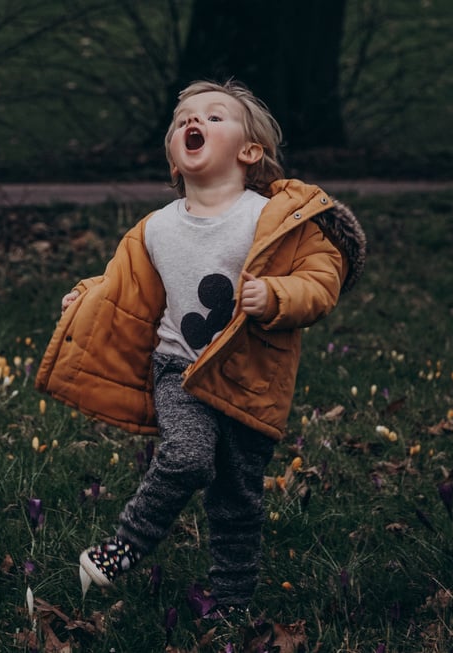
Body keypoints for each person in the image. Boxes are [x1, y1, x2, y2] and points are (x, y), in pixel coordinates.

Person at [35, 79, 365, 616]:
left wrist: (278, 294)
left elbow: (321, 277)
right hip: (180, 370)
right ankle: (125, 547)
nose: (194, 122)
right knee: (187, 457)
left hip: (251, 380)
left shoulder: (271, 220)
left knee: (238, 499)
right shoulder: (156, 230)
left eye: (214, 116)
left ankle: (231, 604)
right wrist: (88, 294)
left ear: (249, 151)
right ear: (173, 154)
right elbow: (125, 287)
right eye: (183, 117)